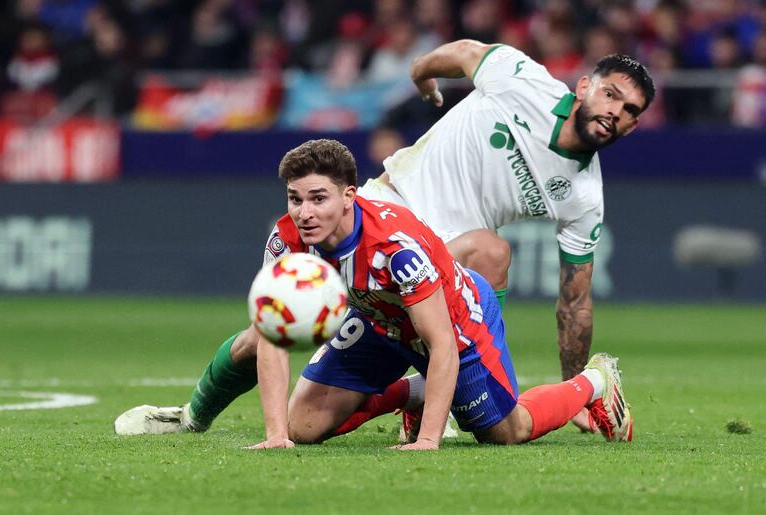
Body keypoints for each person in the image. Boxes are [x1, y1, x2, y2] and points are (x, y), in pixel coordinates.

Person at [115, 39, 653, 435]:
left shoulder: (584, 196)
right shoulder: (524, 80)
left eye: (629, 111)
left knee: (490, 252)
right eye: (610, 95)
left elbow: (574, 301)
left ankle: (464, 393)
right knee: (273, 336)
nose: (614, 112)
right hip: (380, 214)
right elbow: (466, 52)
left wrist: (572, 381)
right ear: (584, 86)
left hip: (439, 259)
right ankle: (191, 417)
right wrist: (421, 73)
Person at [116, 139, 632, 448]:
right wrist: (275, 435)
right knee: (303, 426)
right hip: (380, 322)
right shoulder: (286, 239)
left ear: (349, 197)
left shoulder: (395, 248)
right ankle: (415, 391)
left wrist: (429, 441)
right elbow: (274, 334)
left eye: (318, 198)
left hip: (453, 322)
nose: (305, 212)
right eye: (295, 199)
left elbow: (442, 343)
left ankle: (593, 381)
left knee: (505, 432)